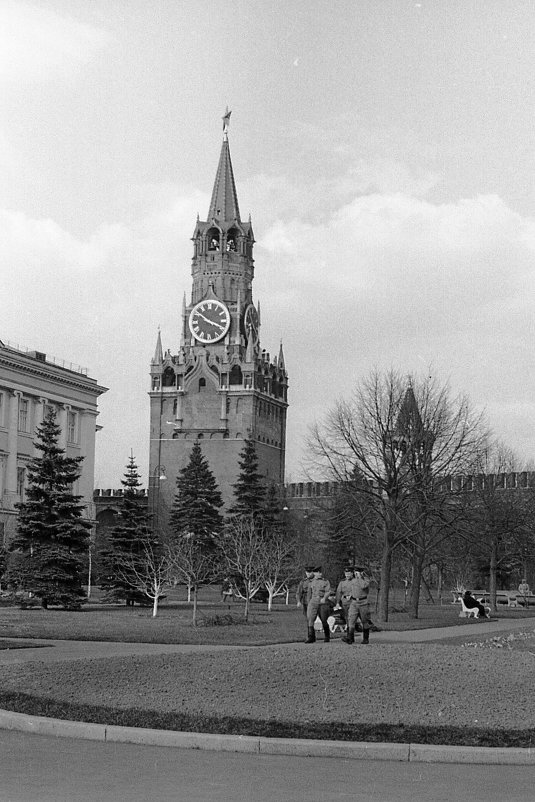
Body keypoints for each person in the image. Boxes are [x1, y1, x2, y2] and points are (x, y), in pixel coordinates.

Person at [341, 567, 372, 645]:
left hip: (363, 603)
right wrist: (349, 596)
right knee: (351, 620)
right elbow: (353, 589)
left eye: (357, 572)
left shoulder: (366, 580)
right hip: (354, 602)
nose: (355, 573)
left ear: (361, 572)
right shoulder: (353, 580)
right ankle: (350, 638)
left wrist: (360, 577)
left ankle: (365, 639)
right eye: (355, 572)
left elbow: (363, 586)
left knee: (364, 621)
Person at [305, 567, 331, 643]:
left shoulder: (325, 582)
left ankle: (327, 636)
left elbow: (328, 591)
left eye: (320, 572)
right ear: (315, 573)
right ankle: (311, 637)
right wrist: (309, 603)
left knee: (323, 619)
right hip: (313, 601)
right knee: (310, 619)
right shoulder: (311, 582)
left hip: (322, 601)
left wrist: (325, 598)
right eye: (318, 572)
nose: (320, 574)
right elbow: (309, 593)